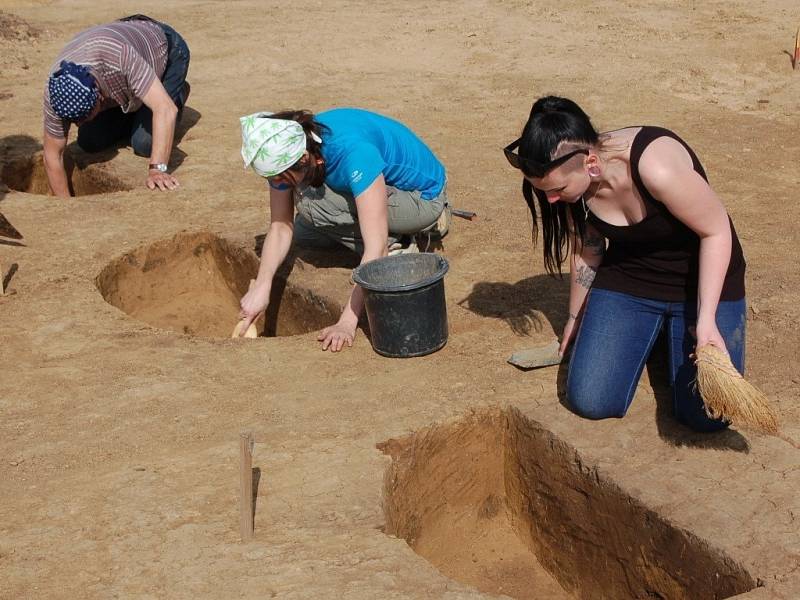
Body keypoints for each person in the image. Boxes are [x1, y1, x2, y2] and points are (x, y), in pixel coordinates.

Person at [504, 96, 746, 432]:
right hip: (631, 276)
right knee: (590, 399)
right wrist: (575, 319)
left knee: (707, 416)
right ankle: (653, 332)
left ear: (590, 163)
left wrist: (706, 321)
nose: (551, 199)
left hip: (700, 279)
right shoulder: (572, 184)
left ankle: (670, 332)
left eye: (556, 189)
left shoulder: (657, 168)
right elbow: (587, 250)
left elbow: (717, 232)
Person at [238, 108, 450, 352]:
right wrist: (263, 287)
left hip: (422, 199)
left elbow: (375, 248)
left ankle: (401, 243)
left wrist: (347, 321)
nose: (277, 185)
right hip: (382, 188)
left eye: (281, 179)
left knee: (311, 204)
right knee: (304, 231)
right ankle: (387, 231)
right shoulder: (299, 146)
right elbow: (280, 226)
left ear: (304, 159)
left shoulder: (353, 153)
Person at [42, 15, 190, 196]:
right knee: (90, 141)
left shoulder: (120, 57)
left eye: (84, 116)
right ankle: (137, 104)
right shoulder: (56, 90)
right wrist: (66, 207)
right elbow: (52, 155)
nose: (79, 124)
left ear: (98, 98)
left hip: (165, 50)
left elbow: (165, 109)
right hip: (119, 78)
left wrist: (157, 170)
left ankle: (177, 92)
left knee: (144, 143)